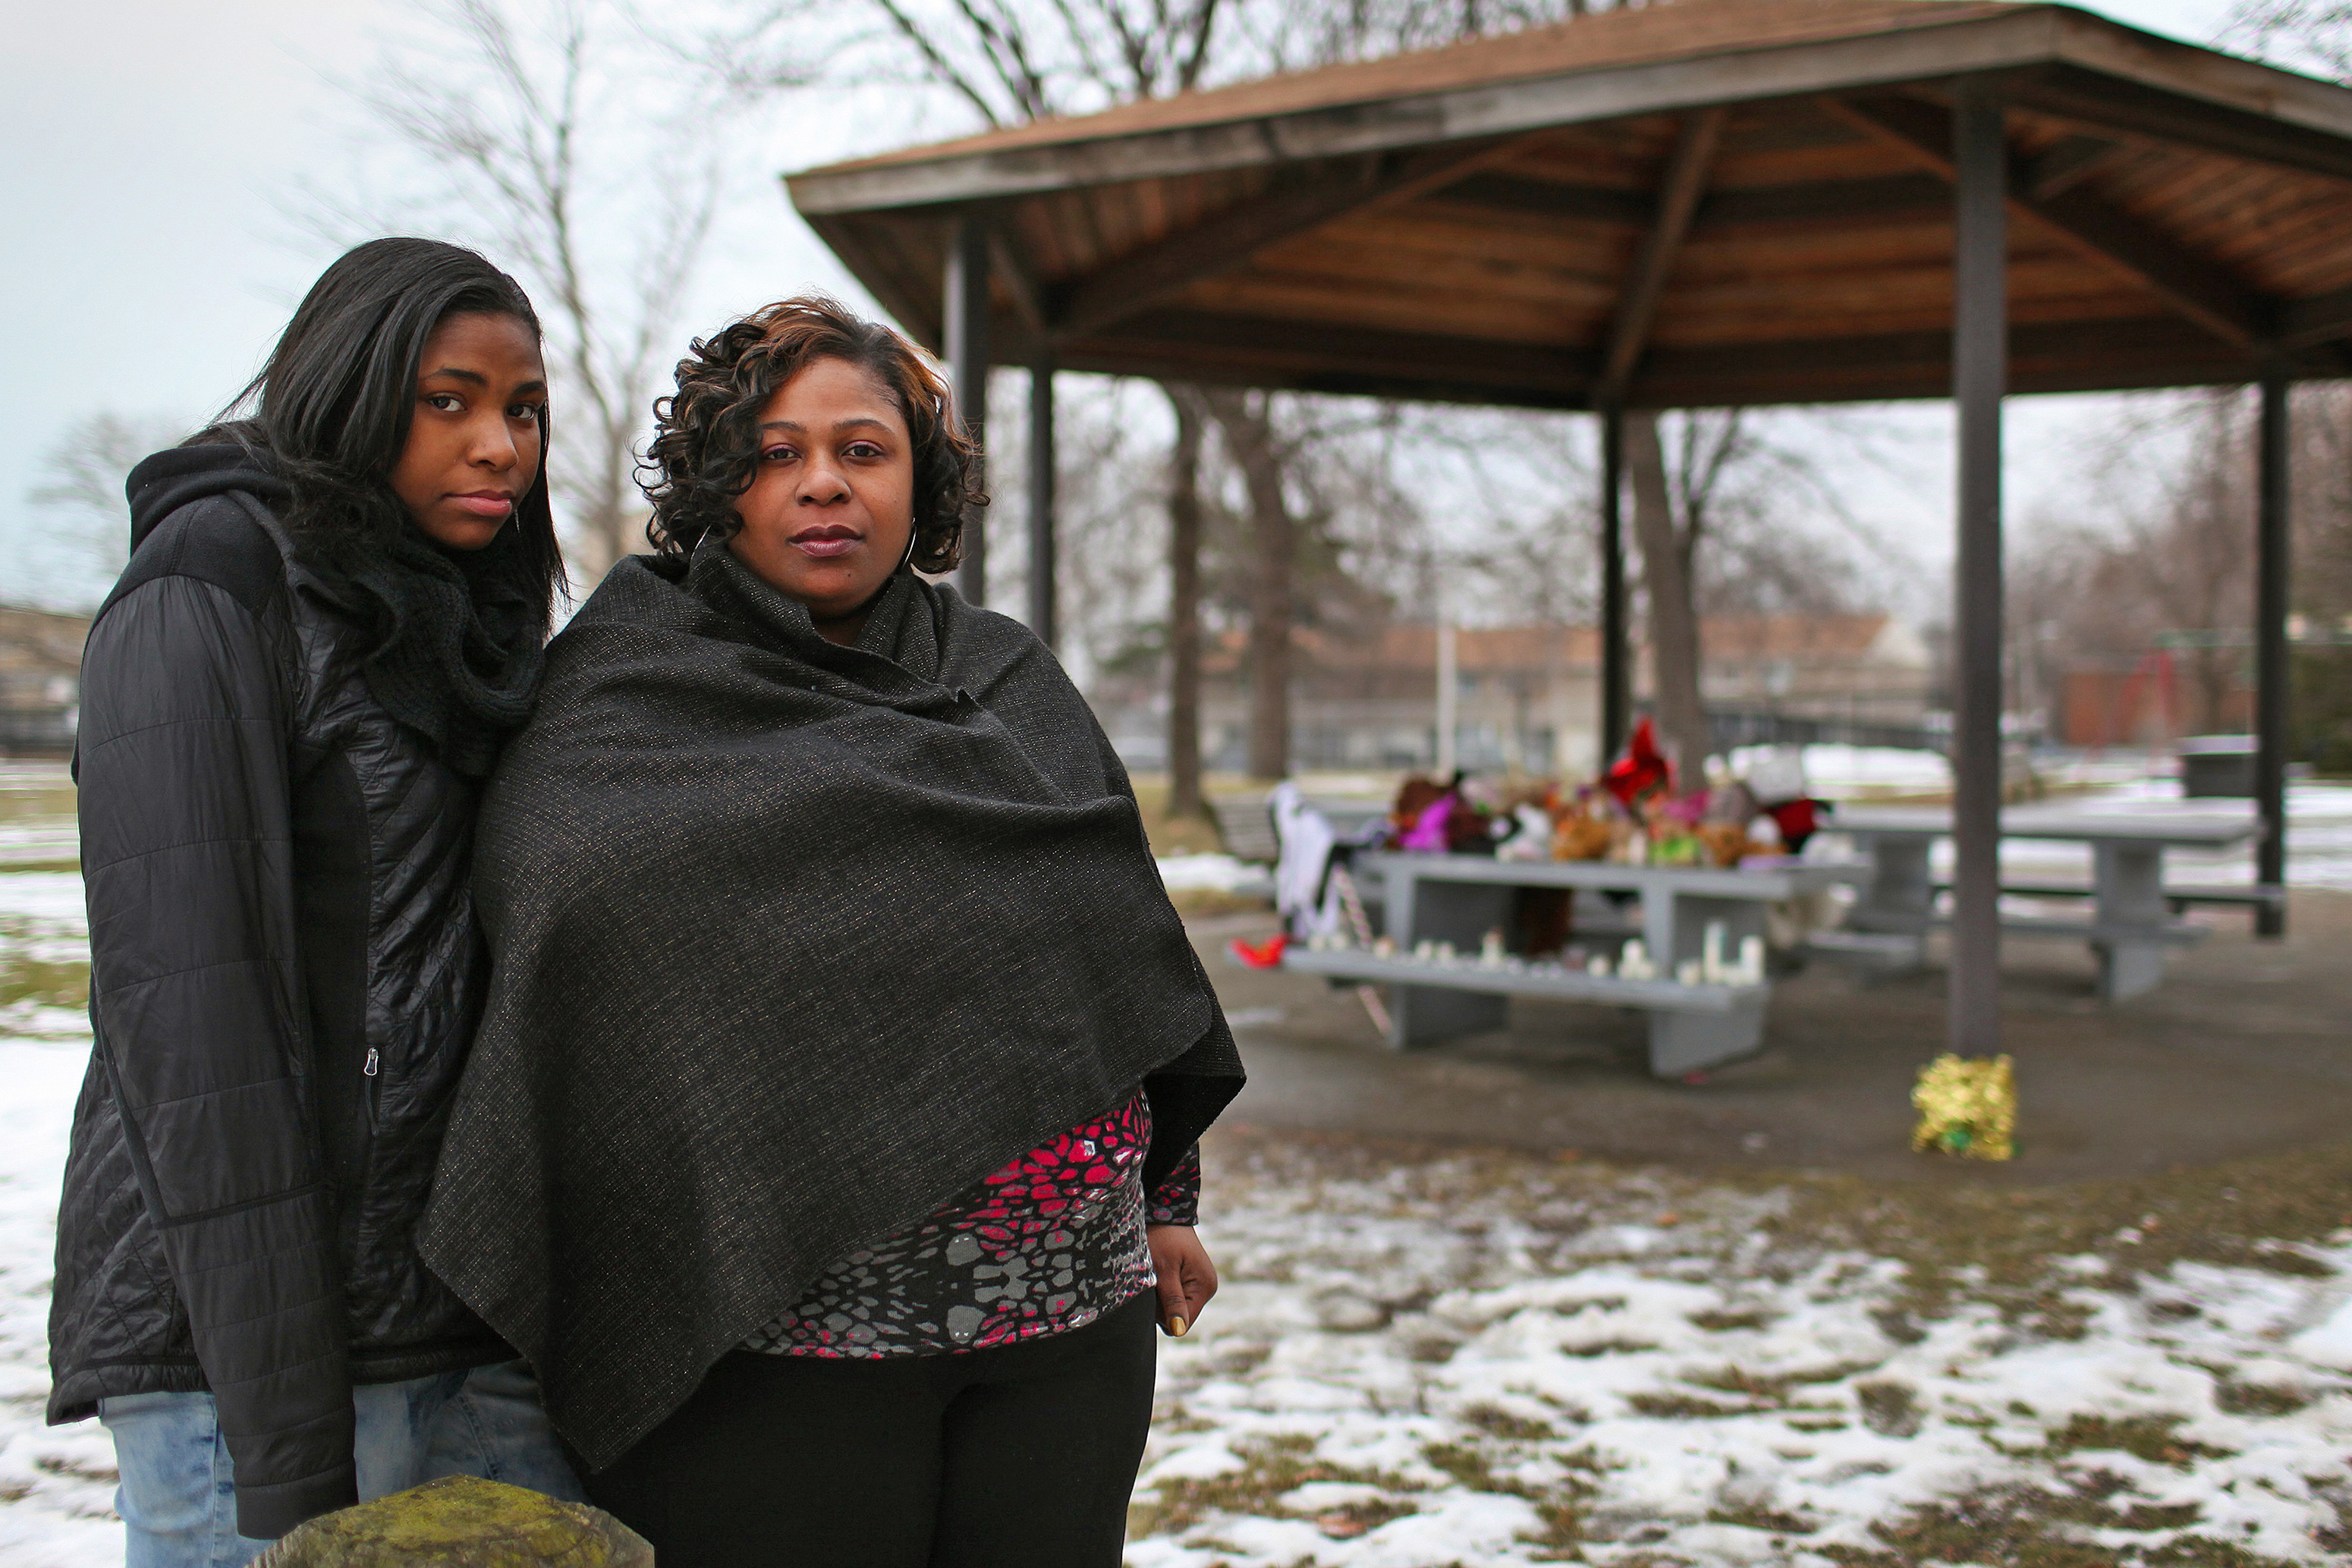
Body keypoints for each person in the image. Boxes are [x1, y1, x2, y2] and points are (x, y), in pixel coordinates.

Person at [418, 294, 1246, 1567]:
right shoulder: (627, 692)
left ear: (921, 483)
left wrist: (1167, 1195)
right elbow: (566, 944)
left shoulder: (1004, 676)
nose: (823, 486)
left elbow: (1110, 955)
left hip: (1069, 1331)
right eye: (775, 453)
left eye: (864, 450)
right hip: (774, 1337)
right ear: (720, 483)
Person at [48, 237, 584, 1566]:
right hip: (251, 1350)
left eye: (523, 411)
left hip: (463, 1319)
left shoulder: (473, 620)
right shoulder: (209, 585)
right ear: (350, 388)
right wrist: (287, 1449)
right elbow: (197, 1041)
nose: (499, 447)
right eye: (446, 400)